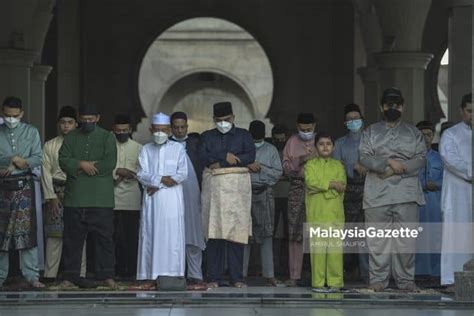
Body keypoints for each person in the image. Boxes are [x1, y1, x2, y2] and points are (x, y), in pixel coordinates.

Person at [359, 87, 427, 292]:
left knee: (406, 239)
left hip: (406, 193)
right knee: (377, 239)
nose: (393, 108)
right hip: (377, 194)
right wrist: (388, 162)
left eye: (397, 104)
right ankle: (378, 279)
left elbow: (421, 159)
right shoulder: (370, 131)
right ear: (381, 107)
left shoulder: (413, 132)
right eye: (389, 104)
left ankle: (406, 280)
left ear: (403, 107)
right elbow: (364, 157)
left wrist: (400, 168)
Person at [58, 103, 118, 289]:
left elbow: (109, 163)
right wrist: (82, 164)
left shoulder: (107, 137)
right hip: (75, 198)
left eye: (91, 120)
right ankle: (70, 278)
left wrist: (85, 167)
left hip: (101, 198)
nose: (87, 123)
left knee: (104, 240)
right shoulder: (71, 137)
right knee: (72, 240)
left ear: (98, 118)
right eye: (83, 120)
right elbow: (63, 160)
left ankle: (106, 276)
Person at [200, 101, 255, 288]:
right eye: (219, 120)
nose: (223, 123)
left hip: (236, 193)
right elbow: (203, 156)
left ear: (233, 118)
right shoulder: (206, 136)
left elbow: (250, 156)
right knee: (214, 234)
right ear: (214, 120)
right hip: (214, 193)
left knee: (235, 234)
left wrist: (223, 161)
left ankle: (237, 278)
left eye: (227, 119)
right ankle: (213, 277)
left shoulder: (244, 135)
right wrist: (226, 156)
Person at [136, 113, 188, 285]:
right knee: (151, 234)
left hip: (172, 200)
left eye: (164, 131)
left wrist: (157, 183)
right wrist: (161, 180)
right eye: (156, 131)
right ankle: (149, 276)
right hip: (152, 200)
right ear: (151, 130)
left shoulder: (178, 148)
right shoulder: (145, 149)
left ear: (169, 130)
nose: (160, 134)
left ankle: (173, 275)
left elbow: (181, 174)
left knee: (172, 236)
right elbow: (141, 174)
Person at [0, 96, 44, 288]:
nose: (11, 120)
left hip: (24, 185)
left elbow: (38, 158)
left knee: (27, 232)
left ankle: (31, 275)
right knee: (1, 234)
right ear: (3, 113)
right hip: (2, 187)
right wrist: (10, 159)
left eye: (15, 116)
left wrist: (23, 162)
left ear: (21, 114)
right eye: (8, 116)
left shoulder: (31, 131)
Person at [41, 106, 87, 280]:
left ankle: (79, 274)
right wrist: (50, 196)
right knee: (55, 235)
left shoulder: (84, 144)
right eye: (63, 123)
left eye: (70, 122)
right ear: (58, 124)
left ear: (76, 124)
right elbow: (45, 172)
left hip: (77, 192)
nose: (66, 126)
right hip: (55, 192)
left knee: (79, 234)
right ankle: (50, 275)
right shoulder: (50, 145)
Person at [243, 120, 283, 285]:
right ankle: (241, 274)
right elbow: (234, 168)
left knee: (267, 234)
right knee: (244, 235)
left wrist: (261, 169)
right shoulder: (243, 148)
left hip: (264, 192)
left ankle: (269, 274)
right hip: (245, 193)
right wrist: (248, 166)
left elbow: (277, 173)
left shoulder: (271, 149)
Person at [305, 132, 346, 292]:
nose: (325, 146)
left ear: (333, 147)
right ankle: (318, 283)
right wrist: (331, 185)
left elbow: (342, 186)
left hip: (335, 213)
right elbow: (310, 183)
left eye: (328, 143)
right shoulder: (310, 165)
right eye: (321, 144)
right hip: (316, 213)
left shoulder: (339, 166)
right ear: (316, 147)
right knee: (318, 250)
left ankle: (335, 283)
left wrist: (322, 188)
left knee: (335, 251)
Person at [170, 111, 206, 290]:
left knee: (193, 236)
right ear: (171, 128)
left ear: (187, 127)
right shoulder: (165, 145)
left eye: (182, 127)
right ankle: (174, 274)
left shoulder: (195, 144)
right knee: (172, 236)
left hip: (193, 196)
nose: (179, 130)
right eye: (175, 127)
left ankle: (195, 274)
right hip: (170, 197)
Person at [439, 93, 473, 289]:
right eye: (469, 111)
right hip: (458, 195)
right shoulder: (450, 134)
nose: (472, 115)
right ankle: (451, 278)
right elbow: (450, 160)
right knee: (456, 234)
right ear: (461, 111)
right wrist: (471, 172)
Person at [333, 103, 368, 282]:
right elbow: (336, 167)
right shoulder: (340, 143)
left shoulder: (371, 140)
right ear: (345, 122)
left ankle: (366, 274)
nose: (354, 121)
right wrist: (352, 166)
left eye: (356, 118)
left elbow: (380, 161)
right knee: (347, 234)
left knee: (367, 235)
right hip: (347, 192)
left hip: (369, 191)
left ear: (362, 119)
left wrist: (366, 166)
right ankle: (344, 271)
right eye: (350, 119)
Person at [282, 112, 317, 286]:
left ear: (314, 127)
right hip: (296, 190)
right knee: (296, 234)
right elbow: (286, 168)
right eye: (302, 129)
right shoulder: (291, 142)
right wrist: (302, 159)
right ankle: (294, 276)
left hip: (318, 191)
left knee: (318, 233)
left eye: (309, 129)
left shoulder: (321, 141)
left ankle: (318, 275)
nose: (306, 132)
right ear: (297, 127)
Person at [112, 114, 142, 278]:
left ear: (130, 129)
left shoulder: (138, 147)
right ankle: (116, 270)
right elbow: (105, 166)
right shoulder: (108, 145)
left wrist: (126, 173)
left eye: (125, 130)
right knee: (114, 237)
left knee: (131, 237)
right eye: (118, 130)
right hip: (112, 197)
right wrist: (117, 172)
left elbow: (142, 171)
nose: (121, 133)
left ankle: (131, 271)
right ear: (113, 130)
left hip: (132, 198)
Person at [414, 120, 442, 279]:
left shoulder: (440, 158)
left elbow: (447, 180)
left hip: (434, 203)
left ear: (433, 136)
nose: (426, 138)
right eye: (422, 135)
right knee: (417, 238)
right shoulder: (410, 157)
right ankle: (417, 274)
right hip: (416, 202)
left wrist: (436, 184)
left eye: (429, 135)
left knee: (435, 237)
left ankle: (435, 274)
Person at [270, 124, 290, 277]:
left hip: (290, 196)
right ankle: (273, 269)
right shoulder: (271, 151)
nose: (280, 141)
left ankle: (288, 269)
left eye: (282, 139)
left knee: (290, 234)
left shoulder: (290, 150)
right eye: (277, 139)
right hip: (273, 196)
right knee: (271, 233)